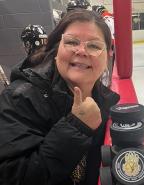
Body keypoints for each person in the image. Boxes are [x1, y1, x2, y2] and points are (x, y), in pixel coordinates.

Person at [0, 9, 120, 185]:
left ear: (107, 56)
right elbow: (11, 177)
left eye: (94, 46)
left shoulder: (106, 103)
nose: (81, 51)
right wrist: (77, 127)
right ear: (57, 49)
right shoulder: (20, 98)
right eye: (72, 42)